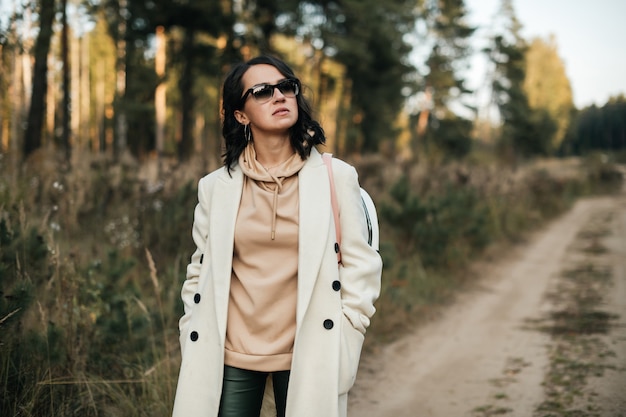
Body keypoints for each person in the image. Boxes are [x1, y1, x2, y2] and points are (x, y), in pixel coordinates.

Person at [172, 55, 382, 417]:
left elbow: (362, 266)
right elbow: (199, 270)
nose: (280, 96)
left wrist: (351, 329)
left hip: (311, 345)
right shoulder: (215, 188)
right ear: (240, 113)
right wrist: (192, 321)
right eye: (263, 92)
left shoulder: (336, 177)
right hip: (230, 351)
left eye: (287, 87)